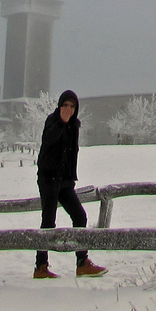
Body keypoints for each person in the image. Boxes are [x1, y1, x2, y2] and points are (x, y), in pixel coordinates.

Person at [35, 90, 107, 279]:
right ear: (59, 106)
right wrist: (61, 122)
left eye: (72, 106)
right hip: (48, 179)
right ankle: (40, 266)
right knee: (48, 222)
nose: (68, 109)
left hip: (65, 181)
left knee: (80, 216)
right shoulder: (52, 121)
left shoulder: (74, 125)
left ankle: (82, 262)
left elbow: (71, 152)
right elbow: (49, 140)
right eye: (65, 105)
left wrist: (70, 177)